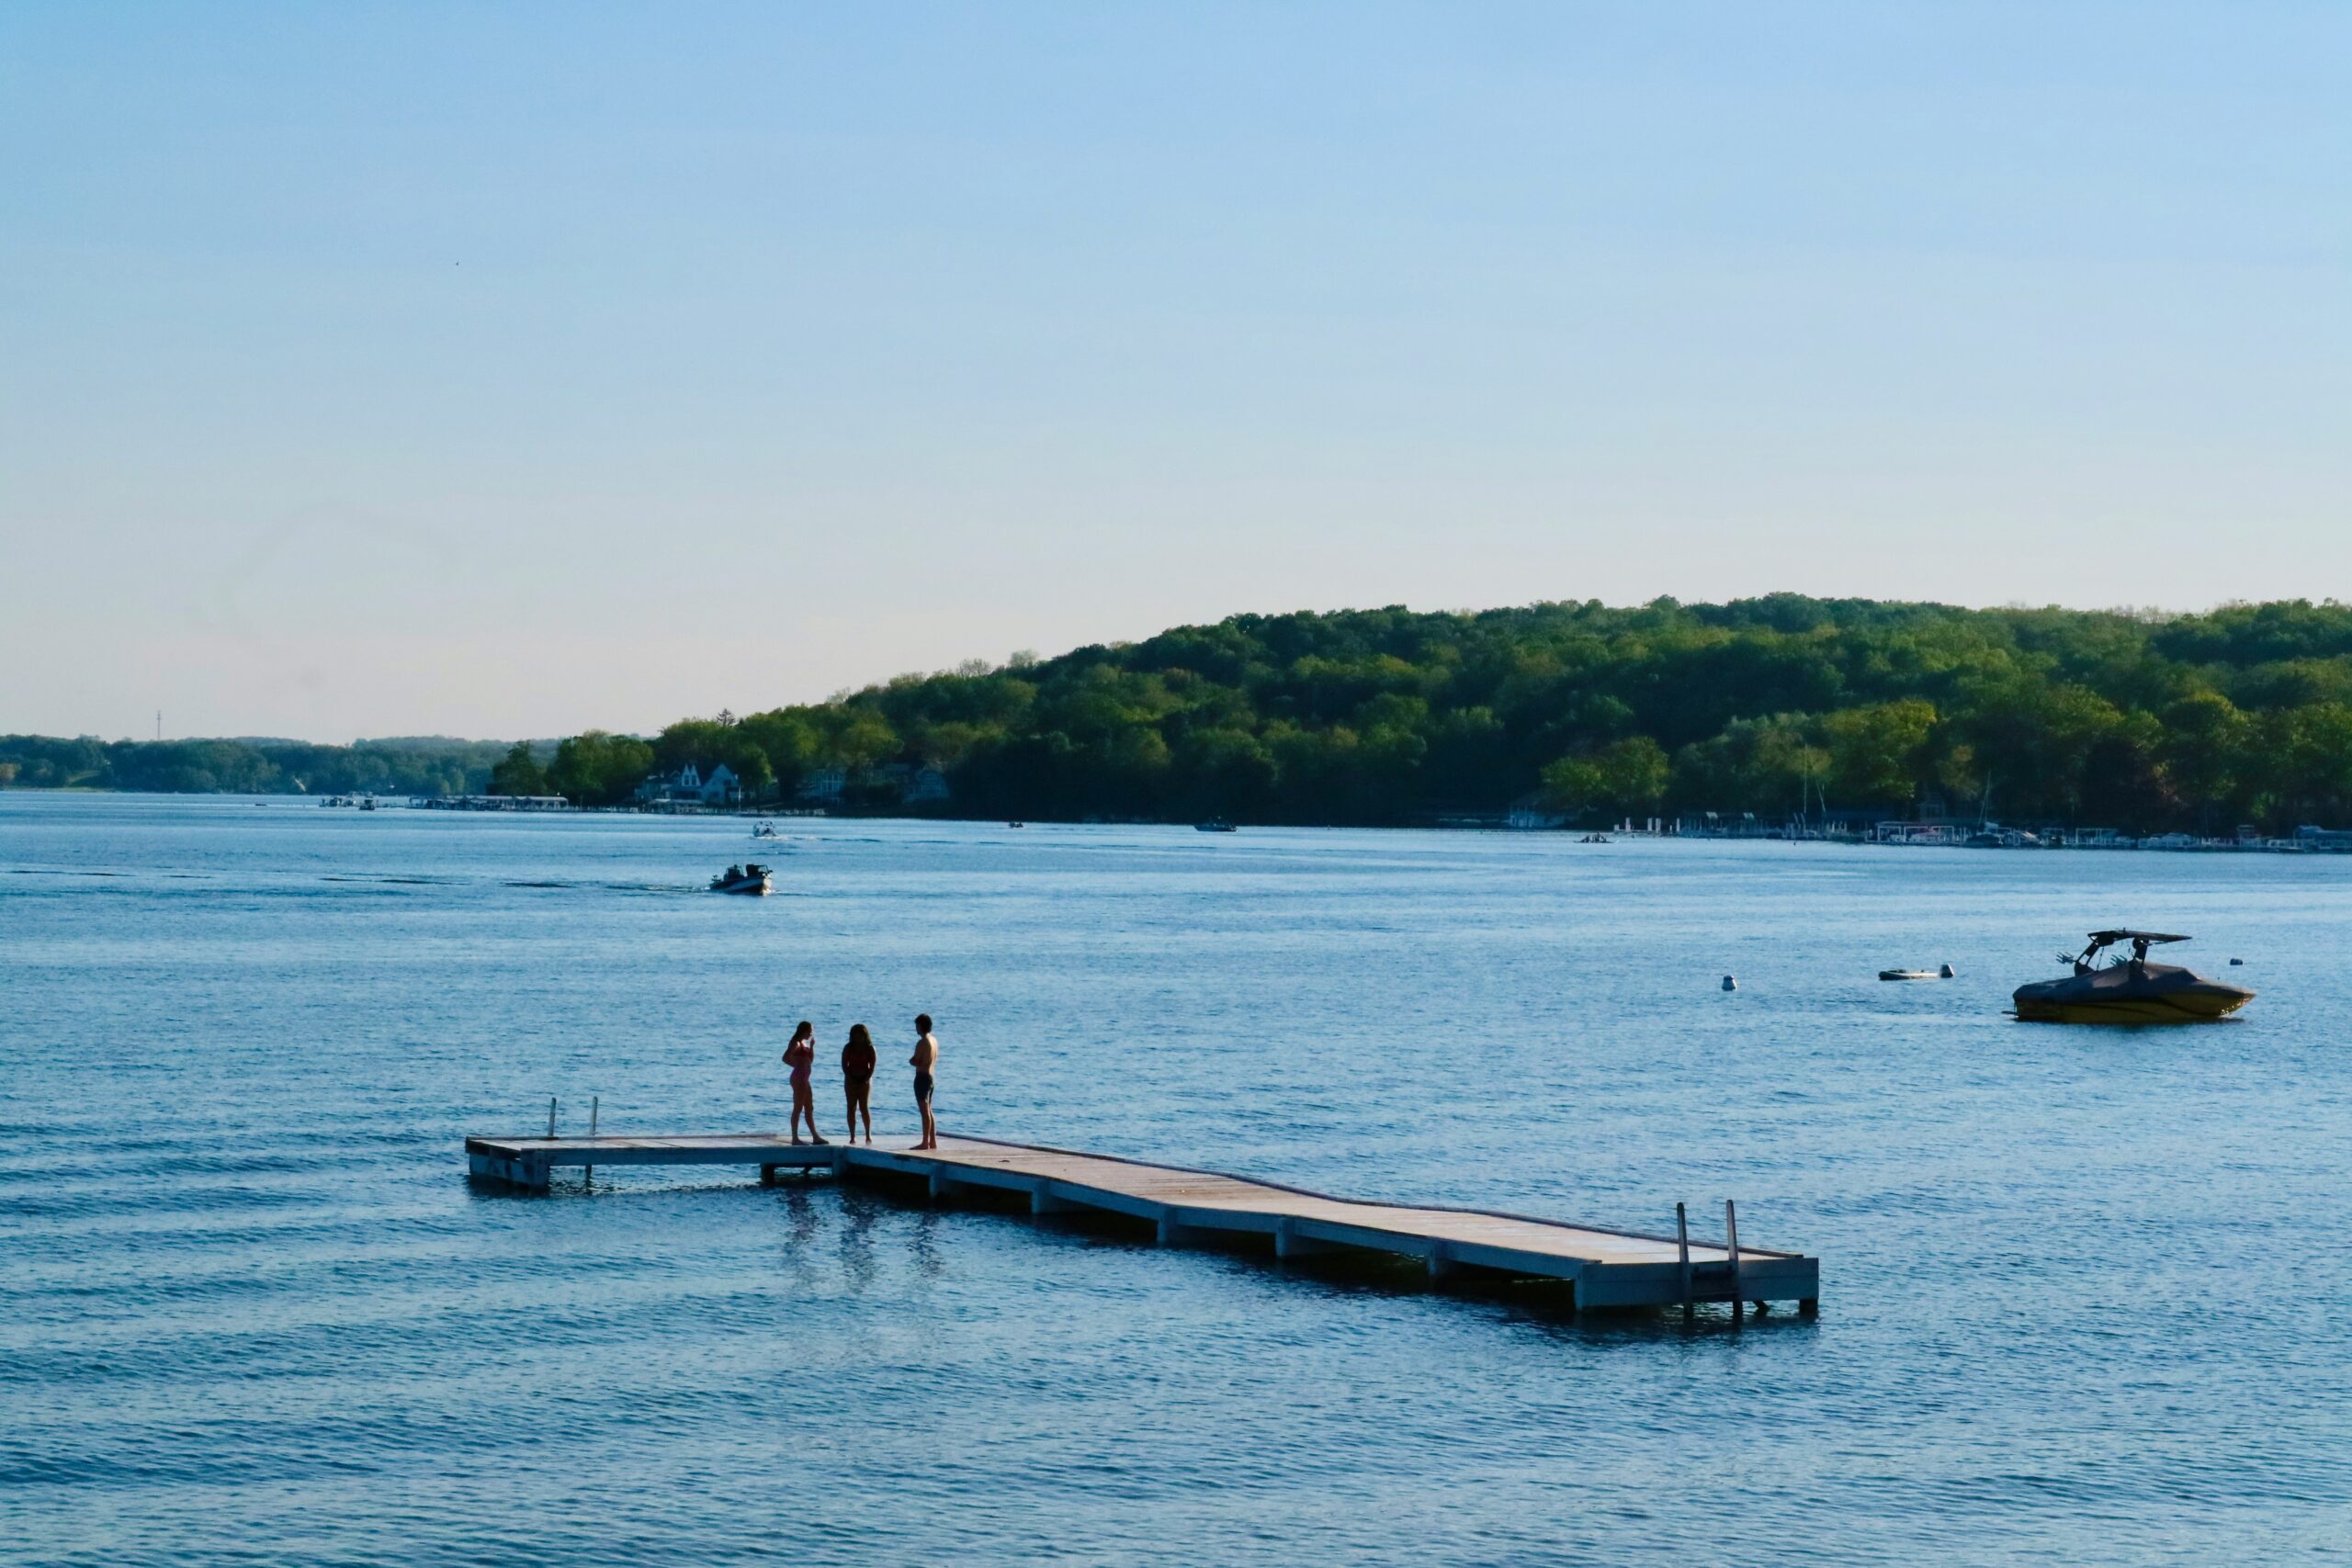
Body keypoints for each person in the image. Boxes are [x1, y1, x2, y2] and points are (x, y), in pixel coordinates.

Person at [783, 1021, 826, 1145]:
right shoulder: (795, 1043)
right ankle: (795, 1138)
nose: (812, 1033)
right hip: (799, 1078)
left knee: (809, 1107)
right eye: (810, 1030)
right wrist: (797, 1064)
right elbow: (785, 1058)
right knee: (798, 1108)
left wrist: (812, 1047)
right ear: (804, 1030)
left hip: (805, 1078)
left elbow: (810, 1060)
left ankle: (815, 1137)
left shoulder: (804, 1042)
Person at [841, 1023, 876, 1144]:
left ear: (865, 1035)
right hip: (850, 1080)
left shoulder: (870, 1048)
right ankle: (852, 1135)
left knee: (864, 1107)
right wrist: (850, 1077)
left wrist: (866, 1078)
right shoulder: (848, 1048)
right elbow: (844, 1065)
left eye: (860, 1035)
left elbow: (872, 1066)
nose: (858, 1038)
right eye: (855, 1035)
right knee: (851, 1107)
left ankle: (868, 1134)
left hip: (865, 1080)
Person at [910, 1012, 940, 1150]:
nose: (916, 1028)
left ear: (921, 1026)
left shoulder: (923, 1042)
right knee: (929, 1110)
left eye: (917, 1025)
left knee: (924, 1111)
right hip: (931, 1076)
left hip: (922, 1077)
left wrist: (912, 1061)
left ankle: (924, 1142)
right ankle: (932, 1141)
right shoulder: (934, 1040)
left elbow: (917, 1060)